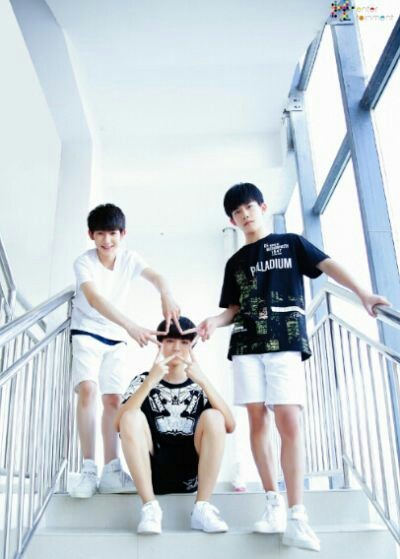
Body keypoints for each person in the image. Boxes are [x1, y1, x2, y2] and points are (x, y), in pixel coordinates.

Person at [197, 183, 389, 551]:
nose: (245, 215)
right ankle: (274, 504)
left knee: (289, 420)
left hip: (285, 342)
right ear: (232, 220)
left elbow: (328, 266)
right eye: (237, 212)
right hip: (247, 345)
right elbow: (233, 310)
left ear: (262, 207)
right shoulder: (235, 263)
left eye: (249, 207)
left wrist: (364, 294)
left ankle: (297, 514)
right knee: (258, 421)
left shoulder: (291, 243)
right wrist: (213, 322)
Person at [69, 203, 180, 499]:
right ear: (91, 235)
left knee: (114, 400)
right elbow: (94, 300)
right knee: (88, 390)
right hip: (87, 331)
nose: (107, 240)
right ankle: (88, 468)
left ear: (123, 234)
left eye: (113, 234)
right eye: (100, 234)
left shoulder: (130, 259)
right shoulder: (84, 263)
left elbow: (157, 277)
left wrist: (166, 294)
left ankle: (112, 470)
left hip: (115, 337)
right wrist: (131, 326)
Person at [115, 316, 235, 534]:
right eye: (170, 341)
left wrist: (203, 380)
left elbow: (229, 425)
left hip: (191, 476)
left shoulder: (199, 386)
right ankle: (150, 508)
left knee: (215, 417)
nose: (176, 348)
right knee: (130, 417)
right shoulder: (143, 380)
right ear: (159, 344)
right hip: (151, 473)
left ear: (192, 346)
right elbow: (119, 423)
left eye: (184, 342)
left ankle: (202, 508)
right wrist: (150, 381)